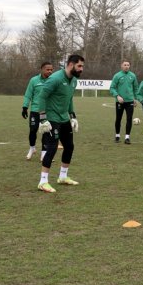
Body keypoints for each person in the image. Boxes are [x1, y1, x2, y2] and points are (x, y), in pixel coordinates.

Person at [35, 55, 84, 193]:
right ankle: (43, 182)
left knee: (69, 146)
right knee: (52, 148)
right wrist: (43, 119)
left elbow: (69, 99)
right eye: (79, 66)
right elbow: (42, 97)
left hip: (64, 118)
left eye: (82, 66)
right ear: (70, 65)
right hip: (52, 119)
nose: (81, 69)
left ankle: (63, 177)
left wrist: (72, 115)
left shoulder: (74, 81)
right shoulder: (55, 79)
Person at [22, 61, 53, 160]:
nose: (50, 71)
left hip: (47, 111)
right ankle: (32, 148)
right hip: (35, 111)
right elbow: (28, 94)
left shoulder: (53, 80)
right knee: (33, 130)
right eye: (47, 69)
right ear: (42, 69)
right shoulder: (34, 80)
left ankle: (44, 153)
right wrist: (25, 107)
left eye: (51, 70)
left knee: (46, 130)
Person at [109, 60, 139, 144]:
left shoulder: (132, 76)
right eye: (125, 65)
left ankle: (127, 137)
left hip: (130, 101)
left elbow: (136, 88)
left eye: (128, 65)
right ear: (121, 66)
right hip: (120, 102)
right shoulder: (117, 76)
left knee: (129, 119)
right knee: (118, 119)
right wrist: (117, 96)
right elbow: (112, 88)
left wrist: (135, 98)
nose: (126, 66)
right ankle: (117, 135)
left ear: (129, 66)